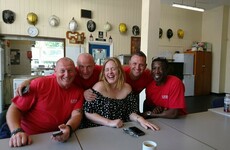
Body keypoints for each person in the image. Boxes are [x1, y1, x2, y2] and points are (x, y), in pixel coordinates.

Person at [5, 57, 84, 147]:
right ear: (55, 72)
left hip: (56, 139)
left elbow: (77, 115)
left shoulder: (78, 92)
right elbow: (15, 108)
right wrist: (16, 131)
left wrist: (69, 128)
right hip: (29, 138)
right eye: (62, 71)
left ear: (75, 72)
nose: (66, 75)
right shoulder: (39, 84)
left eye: (70, 71)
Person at [82, 57, 159, 131]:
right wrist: (109, 122)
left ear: (119, 71)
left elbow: (130, 112)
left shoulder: (127, 88)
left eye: (113, 69)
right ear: (104, 73)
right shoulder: (99, 87)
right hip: (98, 129)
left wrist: (140, 119)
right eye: (107, 70)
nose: (110, 72)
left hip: (121, 128)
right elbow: (88, 112)